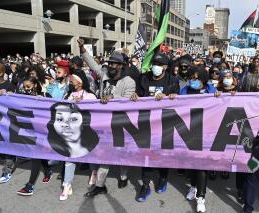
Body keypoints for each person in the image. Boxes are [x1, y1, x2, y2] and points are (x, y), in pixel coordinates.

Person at [79, 39, 137, 197]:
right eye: (110, 63)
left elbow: (127, 104)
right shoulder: (104, 75)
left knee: (122, 153)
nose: (111, 66)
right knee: (106, 153)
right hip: (103, 123)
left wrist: (113, 97)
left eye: (114, 64)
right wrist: (82, 48)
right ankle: (100, 185)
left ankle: (123, 176)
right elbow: (92, 65)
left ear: (121, 66)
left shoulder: (128, 82)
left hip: (121, 124)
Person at [135, 52, 179, 202]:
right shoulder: (143, 78)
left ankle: (162, 178)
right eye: (155, 64)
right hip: (146, 122)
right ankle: (145, 185)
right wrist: (135, 95)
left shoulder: (172, 81)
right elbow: (138, 94)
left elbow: (181, 103)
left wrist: (170, 97)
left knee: (162, 153)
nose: (156, 67)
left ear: (165, 67)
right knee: (147, 154)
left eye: (160, 65)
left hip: (165, 124)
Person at [48, 71, 99, 201]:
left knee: (90, 154)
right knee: (69, 157)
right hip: (71, 133)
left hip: (85, 131)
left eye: (73, 79)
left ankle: (94, 172)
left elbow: (96, 111)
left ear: (80, 81)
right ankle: (67, 184)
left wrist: (83, 103)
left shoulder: (90, 96)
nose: (71, 81)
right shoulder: (69, 95)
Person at [180, 66, 217, 213]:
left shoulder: (211, 90)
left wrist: (223, 97)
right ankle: (194, 187)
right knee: (191, 163)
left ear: (203, 79)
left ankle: (201, 197)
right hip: (189, 132)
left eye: (196, 78)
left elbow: (222, 105)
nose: (193, 80)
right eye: (191, 77)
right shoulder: (184, 90)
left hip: (207, 133)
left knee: (202, 165)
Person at [17, 77, 53, 196]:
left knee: (35, 156)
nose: (26, 89)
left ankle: (30, 185)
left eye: (28, 87)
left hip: (43, 131)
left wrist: (44, 101)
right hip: (30, 131)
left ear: (35, 85)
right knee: (37, 155)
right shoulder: (22, 96)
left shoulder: (45, 94)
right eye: (24, 87)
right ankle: (48, 171)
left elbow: (54, 108)